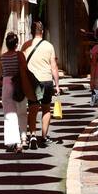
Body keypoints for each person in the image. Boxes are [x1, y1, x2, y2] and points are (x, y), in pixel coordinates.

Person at [23, 20, 61, 149]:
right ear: (42, 32)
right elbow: (54, 67)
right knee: (46, 109)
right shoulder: (49, 46)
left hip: (32, 81)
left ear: (31, 32)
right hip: (46, 81)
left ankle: (32, 135)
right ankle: (44, 136)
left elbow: (22, 65)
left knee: (33, 108)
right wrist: (57, 84)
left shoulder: (25, 45)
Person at [0, 33, 35, 154]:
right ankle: (23, 138)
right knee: (21, 112)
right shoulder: (19, 55)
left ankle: (12, 141)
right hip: (19, 84)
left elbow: (3, 72)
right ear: (16, 44)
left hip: (6, 84)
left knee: (9, 114)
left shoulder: (2, 57)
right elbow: (24, 69)